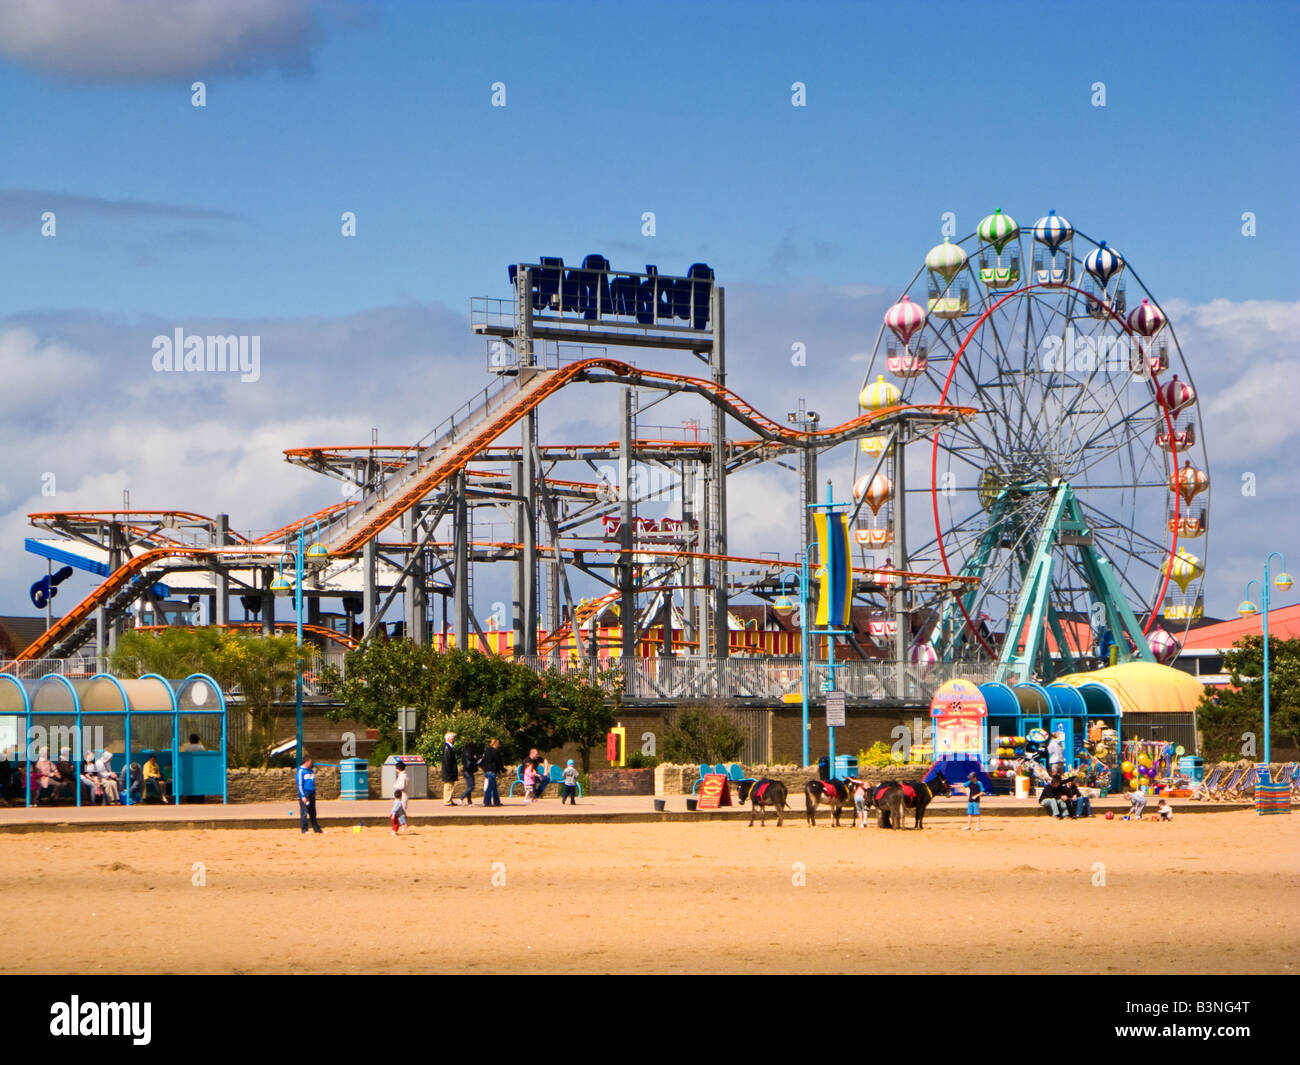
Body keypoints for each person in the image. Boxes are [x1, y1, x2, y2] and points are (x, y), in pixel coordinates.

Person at [296, 756, 324, 834]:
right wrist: (302, 796)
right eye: (310, 762)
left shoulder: (311, 771)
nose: (311, 764)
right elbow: (300, 785)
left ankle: (316, 829)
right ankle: (304, 829)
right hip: (305, 794)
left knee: (313, 813)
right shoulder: (301, 771)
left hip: (312, 793)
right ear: (307, 762)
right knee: (304, 812)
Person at [479, 738, 503, 807]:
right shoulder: (495, 752)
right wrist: (502, 769)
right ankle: (486, 802)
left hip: (486, 771)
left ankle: (497, 801)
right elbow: (498, 761)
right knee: (489, 787)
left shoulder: (487, 751)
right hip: (492, 771)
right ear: (495, 744)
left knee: (494, 787)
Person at [390, 758, 409, 834]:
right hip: (403, 795)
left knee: (399, 812)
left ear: (398, 769)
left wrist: (395, 786)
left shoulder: (402, 776)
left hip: (402, 796)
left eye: (396, 768)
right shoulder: (405, 775)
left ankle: (401, 826)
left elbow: (401, 786)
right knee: (401, 812)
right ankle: (402, 825)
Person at [440, 732, 459, 806]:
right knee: (448, 786)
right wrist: (450, 772)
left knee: (451, 786)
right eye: (452, 737)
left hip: (449, 771)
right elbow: (447, 761)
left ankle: (449, 799)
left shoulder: (449, 747)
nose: (453, 739)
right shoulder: (447, 747)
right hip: (448, 772)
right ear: (448, 738)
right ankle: (447, 801)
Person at [457, 741, 478, 805]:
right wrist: (475, 759)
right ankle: (461, 798)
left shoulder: (464, 752)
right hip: (468, 771)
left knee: (469, 786)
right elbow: (470, 760)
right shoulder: (470, 752)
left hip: (465, 770)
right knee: (472, 786)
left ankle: (469, 801)